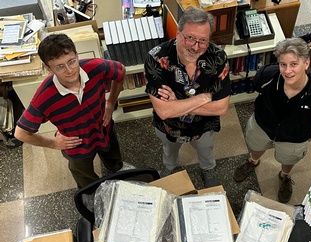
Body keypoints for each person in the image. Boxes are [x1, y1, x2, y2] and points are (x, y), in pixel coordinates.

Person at [14, 33, 126, 188]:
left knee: (113, 157)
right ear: (48, 68)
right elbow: (20, 133)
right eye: (60, 66)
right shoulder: (44, 97)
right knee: (84, 175)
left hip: (104, 128)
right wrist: (53, 144)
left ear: (77, 55)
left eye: (72, 61)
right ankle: (90, 191)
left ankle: (117, 170)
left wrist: (111, 102)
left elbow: (121, 71)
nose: (69, 70)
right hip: (76, 145)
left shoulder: (96, 67)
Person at [233, 37, 311, 203]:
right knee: (256, 147)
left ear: (306, 63)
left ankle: (285, 175)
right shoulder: (267, 75)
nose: (288, 71)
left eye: (294, 64)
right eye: (283, 64)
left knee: (288, 160)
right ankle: (253, 161)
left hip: (294, 138)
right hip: (262, 126)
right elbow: (257, 86)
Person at [144, 6, 231, 188]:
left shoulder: (218, 58)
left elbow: (221, 108)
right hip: (170, 127)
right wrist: (203, 98)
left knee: (206, 151)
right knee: (169, 151)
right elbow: (164, 112)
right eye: (190, 38)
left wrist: (177, 103)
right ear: (178, 34)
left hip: (204, 127)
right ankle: (170, 167)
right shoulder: (156, 59)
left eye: (203, 40)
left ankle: (208, 168)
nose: (195, 46)